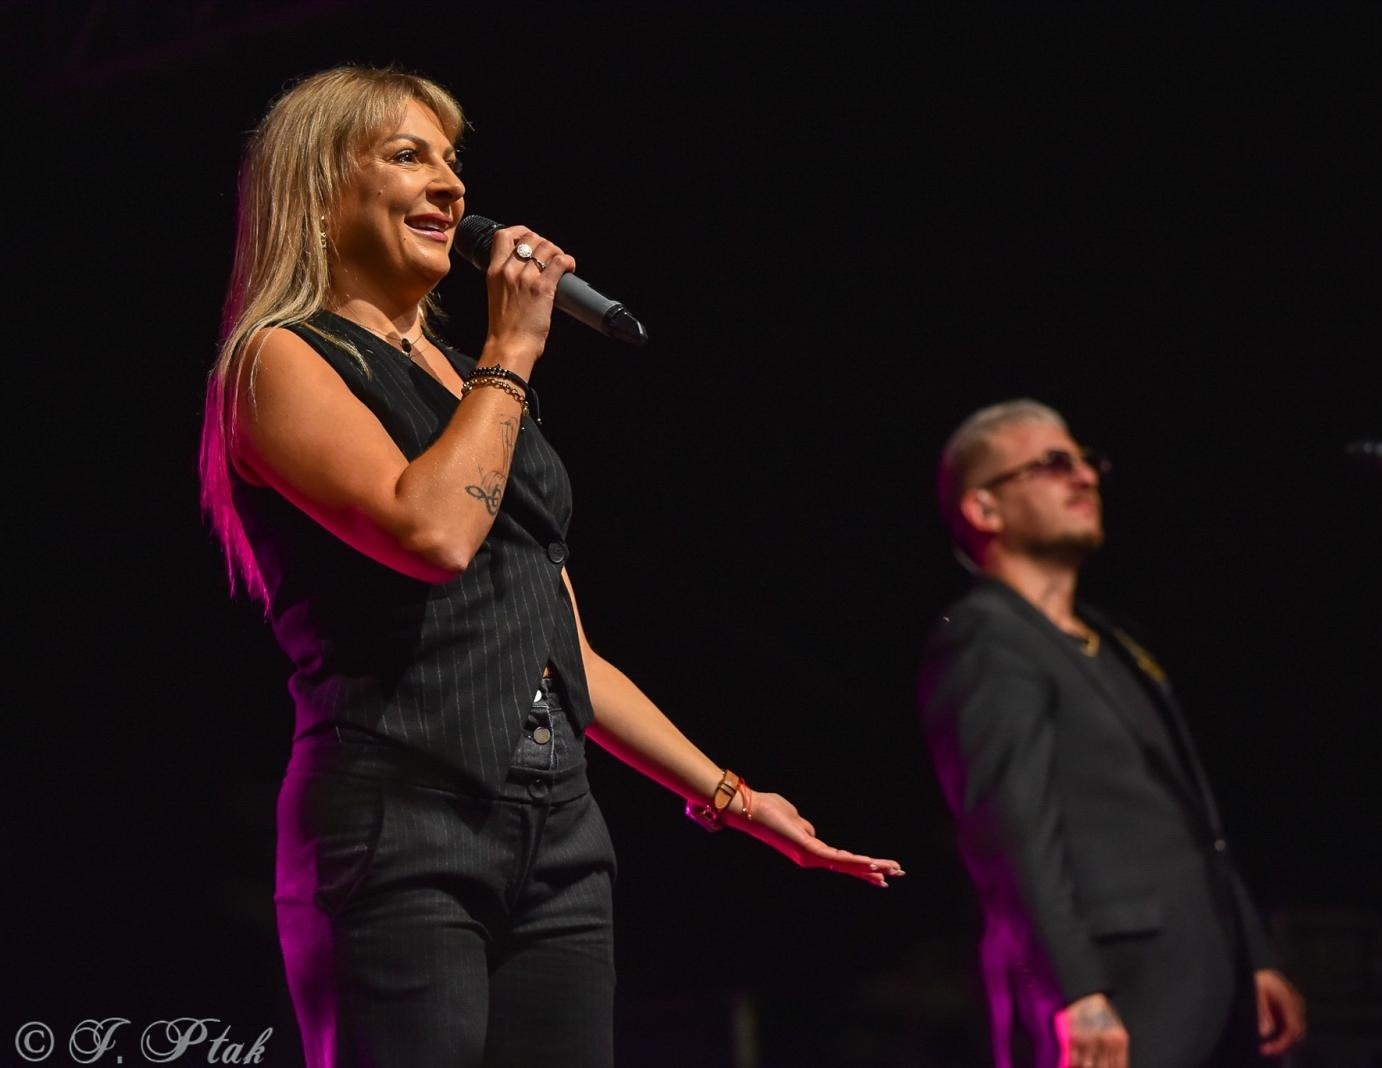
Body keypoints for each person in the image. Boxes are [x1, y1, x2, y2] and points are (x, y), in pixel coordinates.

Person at [198, 65, 902, 1068]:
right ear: (318, 193)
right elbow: (433, 537)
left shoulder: (464, 378)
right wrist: (513, 352)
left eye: (451, 161)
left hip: (557, 828)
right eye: (408, 157)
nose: (449, 187)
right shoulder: (282, 360)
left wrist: (736, 799)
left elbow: (556, 640)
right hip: (403, 816)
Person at [915, 399, 1305, 1068]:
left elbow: (1190, 818)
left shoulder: (1114, 642)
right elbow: (1009, 832)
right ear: (985, 510)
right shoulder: (986, 640)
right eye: (1052, 464)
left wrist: (1252, 953)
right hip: (1116, 1003)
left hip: (1208, 988)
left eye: (1087, 462)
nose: (1086, 477)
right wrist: (1072, 989)